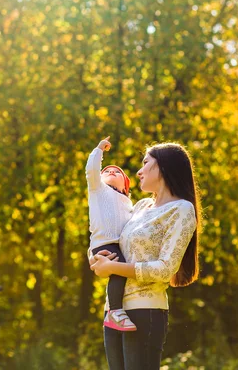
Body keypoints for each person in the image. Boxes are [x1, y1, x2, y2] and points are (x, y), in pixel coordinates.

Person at [89, 142, 202, 370]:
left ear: (163, 167)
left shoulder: (181, 209)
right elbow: (111, 238)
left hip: (145, 310)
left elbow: (164, 269)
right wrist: (96, 261)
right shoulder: (140, 206)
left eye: (145, 163)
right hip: (114, 310)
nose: (139, 171)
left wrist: (113, 269)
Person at [86, 136, 136, 332]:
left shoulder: (129, 203)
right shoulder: (99, 190)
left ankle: (115, 310)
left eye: (118, 172)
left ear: (126, 186)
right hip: (104, 243)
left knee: (121, 269)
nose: (112, 171)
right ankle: (115, 311)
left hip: (119, 244)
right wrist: (99, 150)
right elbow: (91, 172)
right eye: (107, 171)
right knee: (119, 269)